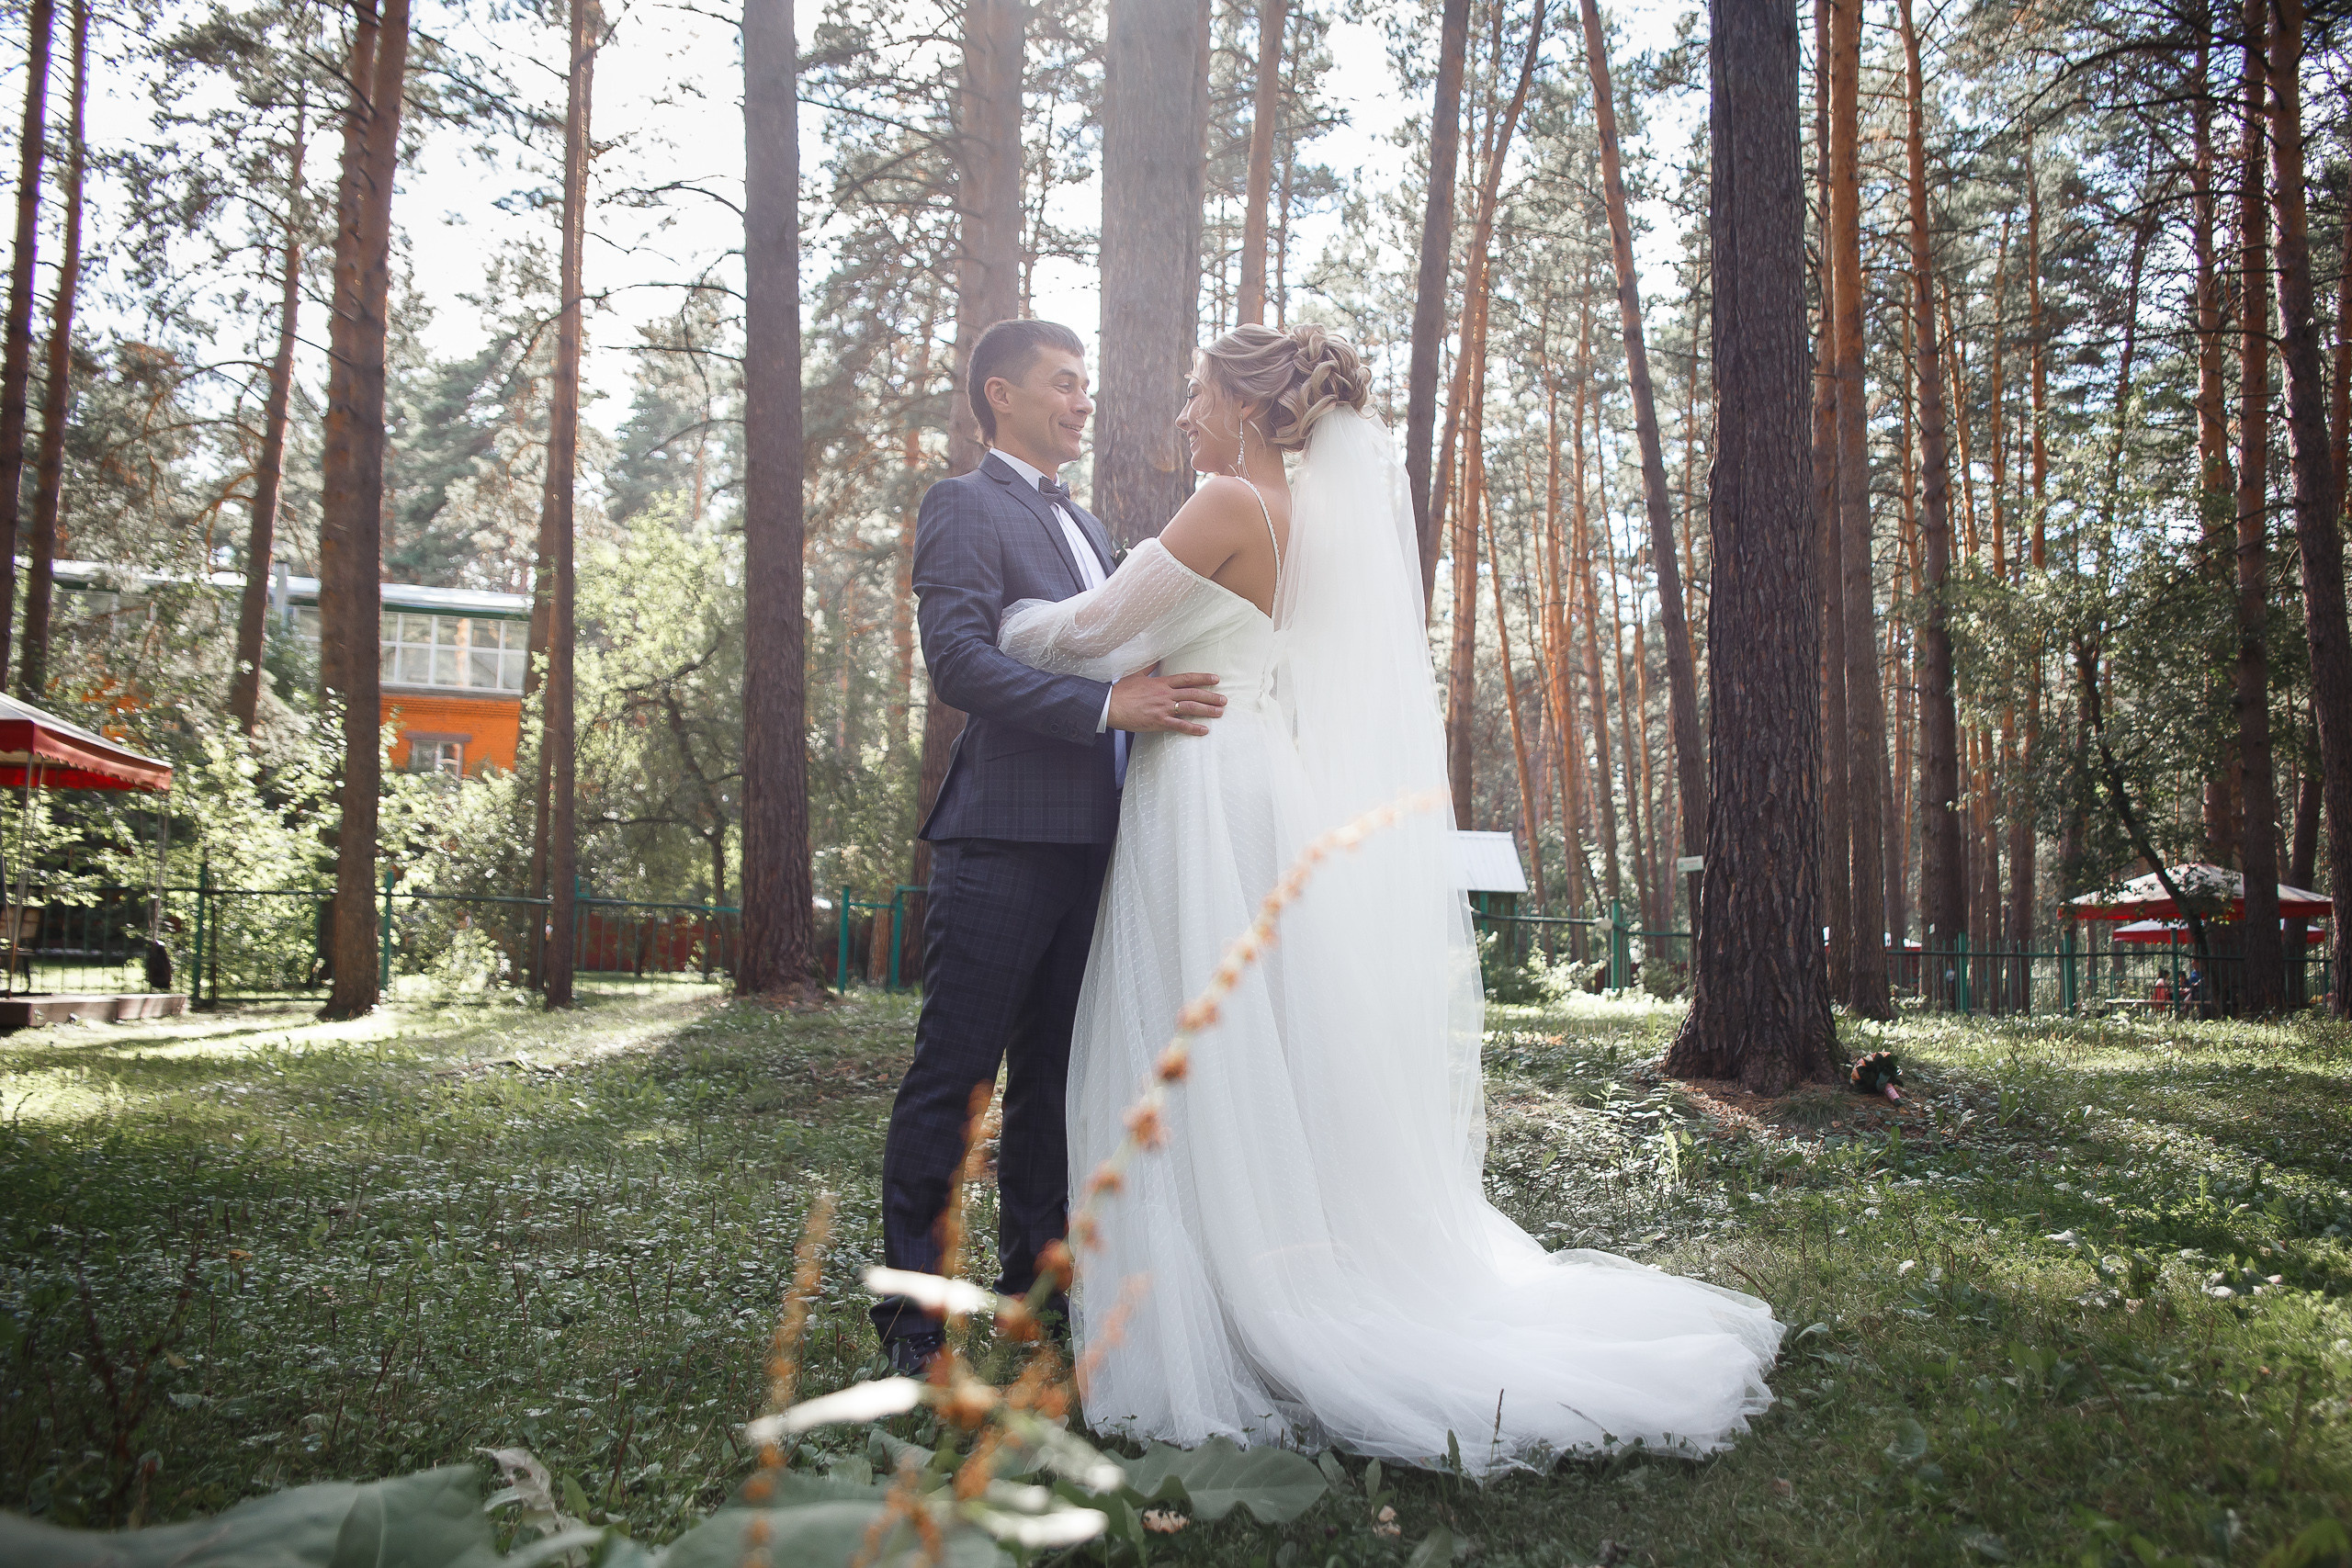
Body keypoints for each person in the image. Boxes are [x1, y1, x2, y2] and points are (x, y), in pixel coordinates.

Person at [995, 323, 1781, 1473]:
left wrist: (1000, 622)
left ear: (1254, 412)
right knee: (1255, 1044)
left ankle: (1203, 1308)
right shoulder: (1311, 525)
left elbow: (1086, 637)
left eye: (1198, 395)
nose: (1180, 418)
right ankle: (1243, 1264)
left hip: (1203, 785)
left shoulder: (1225, 506)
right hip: (1260, 774)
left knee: (1182, 1035)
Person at [870, 319, 1227, 1378]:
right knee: (954, 1077)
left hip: (1100, 845)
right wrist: (1107, 705)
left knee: (1055, 1090)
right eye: (1063, 385)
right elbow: (961, 666)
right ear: (999, 397)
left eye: (1086, 384)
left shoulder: (1097, 525)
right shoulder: (961, 505)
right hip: (1001, 839)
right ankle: (914, 1327)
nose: (1082, 402)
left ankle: (1035, 1297)